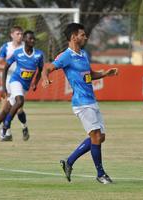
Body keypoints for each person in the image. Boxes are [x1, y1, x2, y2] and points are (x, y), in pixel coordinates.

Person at [42, 23, 118, 184]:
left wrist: (105, 74)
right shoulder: (65, 56)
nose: (85, 37)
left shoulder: (83, 54)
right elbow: (47, 68)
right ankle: (100, 174)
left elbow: (89, 75)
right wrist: (45, 78)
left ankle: (69, 161)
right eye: (82, 35)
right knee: (96, 136)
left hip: (91, 100)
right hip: (81, 102)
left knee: (100, 137)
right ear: (73, 37)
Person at [0, 30, 44, 146]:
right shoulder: (17, 53)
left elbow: (40, 70)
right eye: (30, 39)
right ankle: (6, 124)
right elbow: (5, 68)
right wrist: (3, 88)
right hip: (15, 81)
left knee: (6, 110)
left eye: (33, 39)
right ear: (25, 40)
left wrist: (35, 82)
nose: (32, 41)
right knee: (19, 101)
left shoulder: (39, 54)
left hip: (25, 86)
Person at [0, 26, 29, 141]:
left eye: (21, 34)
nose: (20, 36)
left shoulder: (26, 47)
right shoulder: (6, 47)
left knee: (18, 109)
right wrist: (8, 67)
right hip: (7, 80)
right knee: (5, 108)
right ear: (12, 35)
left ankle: (24, 127)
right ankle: (7, 133)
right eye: (18, 34)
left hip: (19, 81)